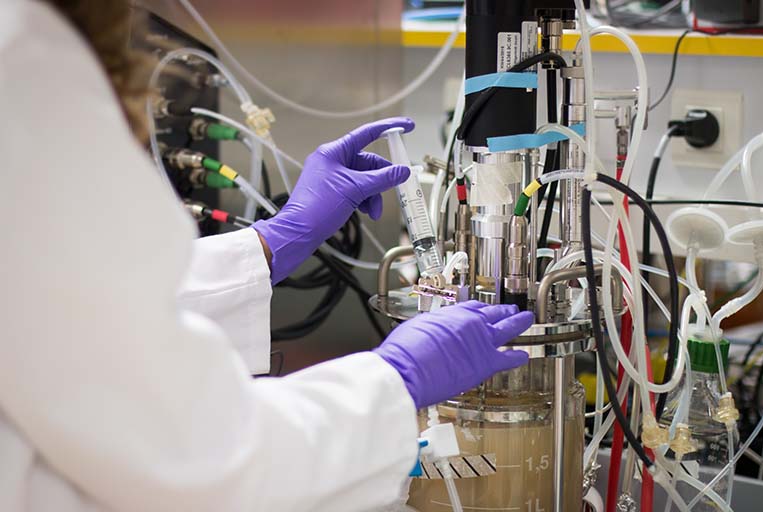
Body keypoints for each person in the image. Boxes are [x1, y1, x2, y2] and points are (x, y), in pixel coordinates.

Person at [0, 1, 534, 511]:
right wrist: (394, 380)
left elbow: (75, 314)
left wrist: (270, 243)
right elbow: (201, 458)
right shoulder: (28, 67)